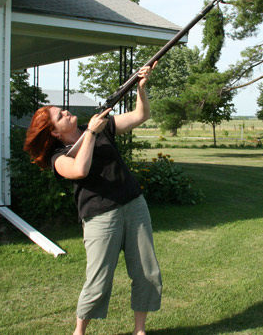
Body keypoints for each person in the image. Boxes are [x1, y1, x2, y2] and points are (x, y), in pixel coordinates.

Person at [23, 64, 162, 335]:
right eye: (60, 115)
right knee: (98, 281)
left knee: (147, 272)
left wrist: (141, 89)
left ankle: (140, 330)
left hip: (134, 205)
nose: (66, 111)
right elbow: (80, 170)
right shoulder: (59, 156)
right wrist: (90, 134)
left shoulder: (99, 126)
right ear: (54, 132)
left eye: (63, 109)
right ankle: (79, 332)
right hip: (100, 216)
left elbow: (141, 115)